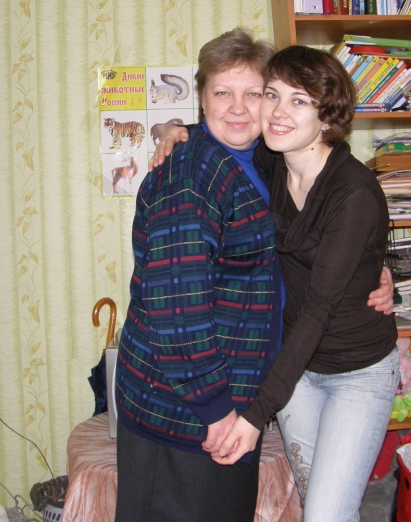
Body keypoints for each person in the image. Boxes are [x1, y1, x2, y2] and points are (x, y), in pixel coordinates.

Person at [154, 44, 399, 522]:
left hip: (357, 372)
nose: (277, 112)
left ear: (327, 117)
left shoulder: (352, 192)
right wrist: (173, 130)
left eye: (298, 101)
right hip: (296, 371)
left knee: (326, 515)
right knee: (317, 505)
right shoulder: (272, 160)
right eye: (273, 95)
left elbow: (319, 309)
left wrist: (254, 414)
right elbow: (222, 126)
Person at [113, 28, 281, 522]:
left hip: (230, 400)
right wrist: (215, 407)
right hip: (185, 412)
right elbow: (176, 305)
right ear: (203, 97)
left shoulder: (257, 160)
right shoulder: (190, 175)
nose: (238, 108)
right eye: (223, 92)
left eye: (254, 94)